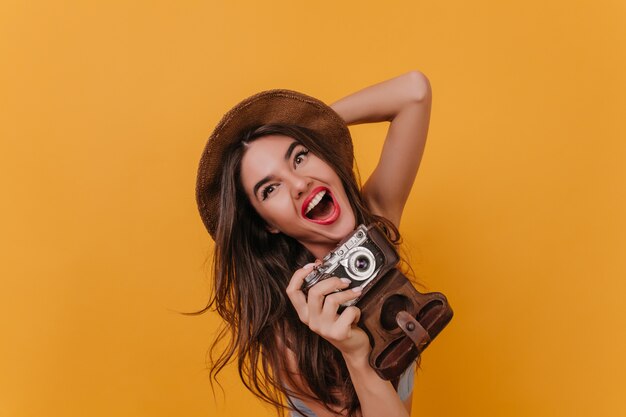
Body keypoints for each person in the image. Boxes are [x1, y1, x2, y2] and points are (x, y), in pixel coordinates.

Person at [195, 71, 432, 417]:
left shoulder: (376, 229)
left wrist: (313, 126)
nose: (299, 183)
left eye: (300, 156)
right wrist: (353, 353)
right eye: (270, 188)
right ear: (267, 224)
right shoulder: (290, 334)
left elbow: (414, 91)